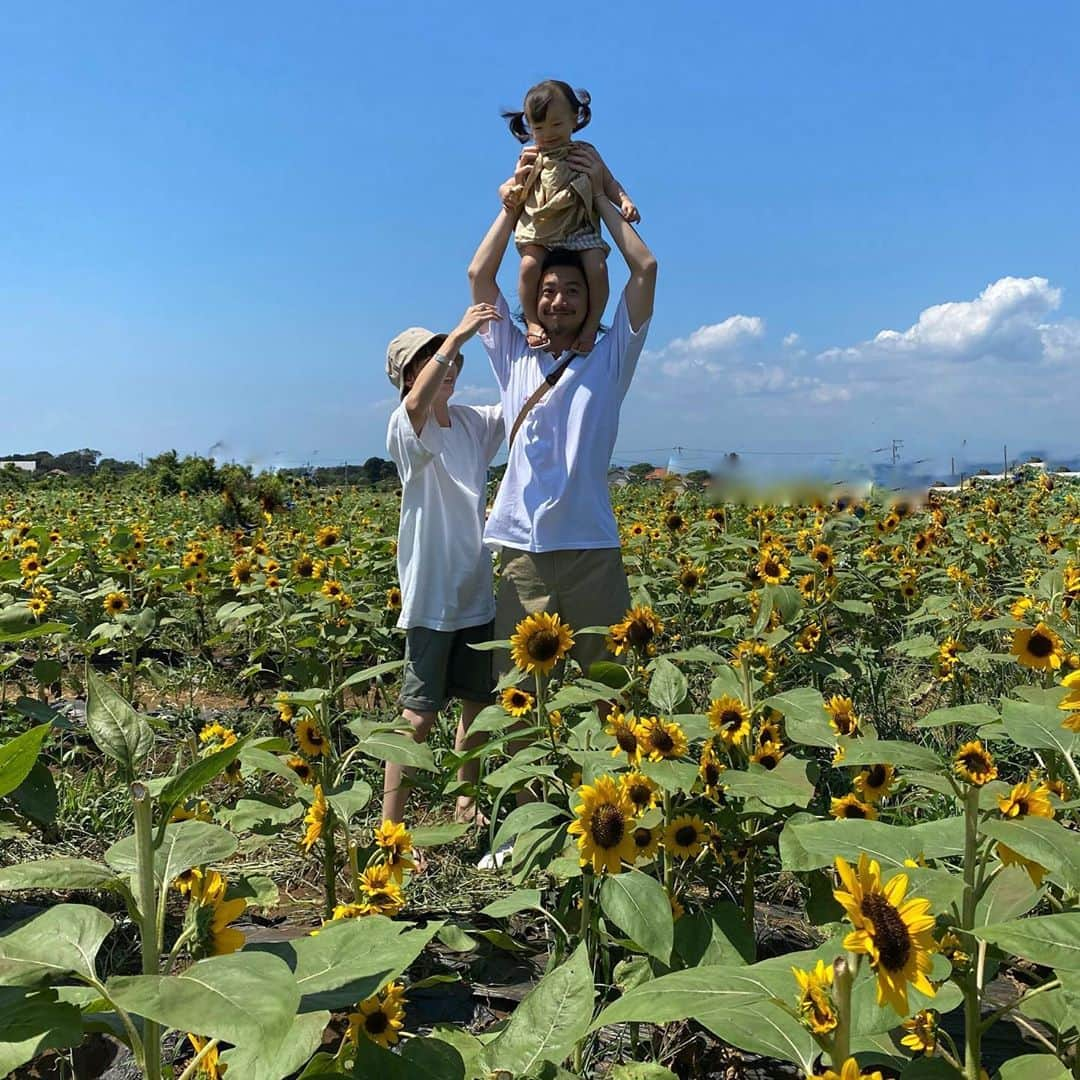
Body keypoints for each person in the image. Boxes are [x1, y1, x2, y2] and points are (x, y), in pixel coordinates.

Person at [468, 141, 657, 692]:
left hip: (593, 548)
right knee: (517, 697)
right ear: (534, 299)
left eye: (573, 290)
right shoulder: (514, 358)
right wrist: (515, 206)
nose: (559, 301)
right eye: (548, 291)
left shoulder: (609, 357)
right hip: (521, 551)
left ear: (590, 299)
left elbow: (643, 270)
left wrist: (599, 196)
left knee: (614, 689)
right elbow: (481, 277)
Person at [383, 305, 505, 824]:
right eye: (433, 360)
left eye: (451, 359)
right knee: (418, 715)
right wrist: (456, 336)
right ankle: (391, 830)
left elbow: (525, 404)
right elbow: (415, 406)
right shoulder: (406, 429)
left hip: (474, 589)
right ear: (412, 375)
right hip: (431, 598)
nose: (448, 366)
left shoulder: (473, 424)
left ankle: (465, 806)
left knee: (477, 705)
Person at [502, 80, 638, 355]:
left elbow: (609, 182)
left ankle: (590, 327)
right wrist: (508, 192)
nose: (548, 134)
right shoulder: (532, 155)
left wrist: (623, 200)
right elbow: (508, 185)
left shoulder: (585, 152)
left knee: (598, 267)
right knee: (528, 266)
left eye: (556, 125)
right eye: (539, 128)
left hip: (578, 226)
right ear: (528, 127)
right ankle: (531, 320)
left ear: (574, 119)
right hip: (540, 227)